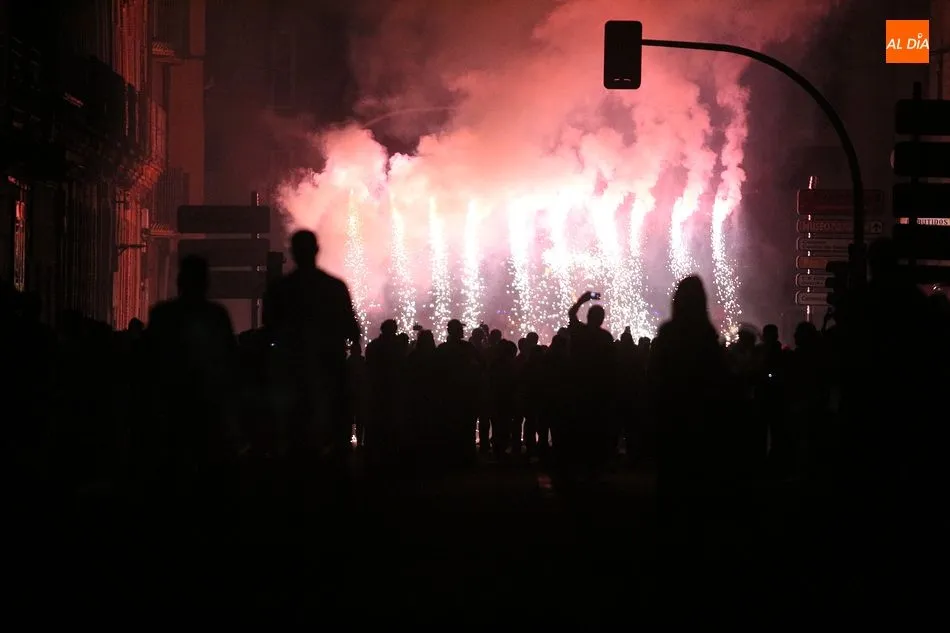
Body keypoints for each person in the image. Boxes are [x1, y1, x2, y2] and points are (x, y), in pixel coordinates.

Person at [262, 230, 360, 488]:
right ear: (317, 250)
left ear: (292, 253)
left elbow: (269, 331)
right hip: (329, 379)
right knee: (335, 453)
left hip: (292, 379)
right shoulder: (334, 287)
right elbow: (353, 331)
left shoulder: (280, 289)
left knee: (294, 451)